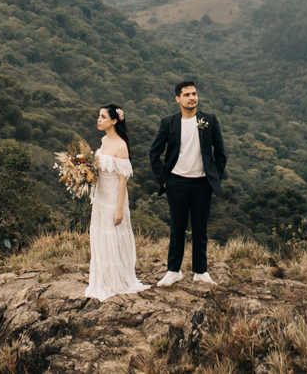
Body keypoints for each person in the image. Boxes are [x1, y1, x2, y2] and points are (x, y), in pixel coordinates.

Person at [149, 81, 227, 287]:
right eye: (186, 95)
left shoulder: (208, 120)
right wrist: (164, 181)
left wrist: (214, 178)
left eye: (194, 94)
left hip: (202, 183)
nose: (192, 98)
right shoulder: (168, 122)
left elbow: (220, 153)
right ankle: (173, 270)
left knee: (200, 228)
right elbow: (154, 153)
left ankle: (201, 271)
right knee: (177, 227)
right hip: (176, 183)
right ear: (178, 99)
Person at [85, 103, 150, 301]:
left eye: (103, 117)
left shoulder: (121, 146)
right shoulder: (103, 140)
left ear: (114, 121)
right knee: (101, 238)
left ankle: (116, 280)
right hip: (100, 198)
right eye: (99, 116)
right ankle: (103, 279)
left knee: (113, 238)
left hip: (114, 199)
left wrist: (119, 208)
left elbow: (123, 180)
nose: (98, 119)